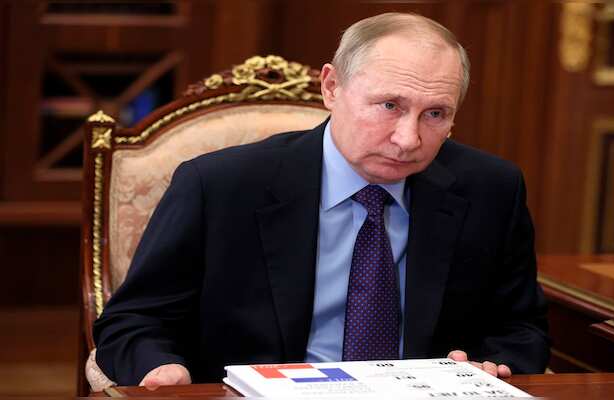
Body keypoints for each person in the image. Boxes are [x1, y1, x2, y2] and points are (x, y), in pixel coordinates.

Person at [93, 12, 550, 389]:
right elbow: (132, 321)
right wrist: (162, 368)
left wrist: (493, 365)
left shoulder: (491, 188)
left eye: (435, 114)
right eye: (389, 105)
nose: (408, 139)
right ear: (332, 88)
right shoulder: (219, 186)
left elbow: (522, 330)